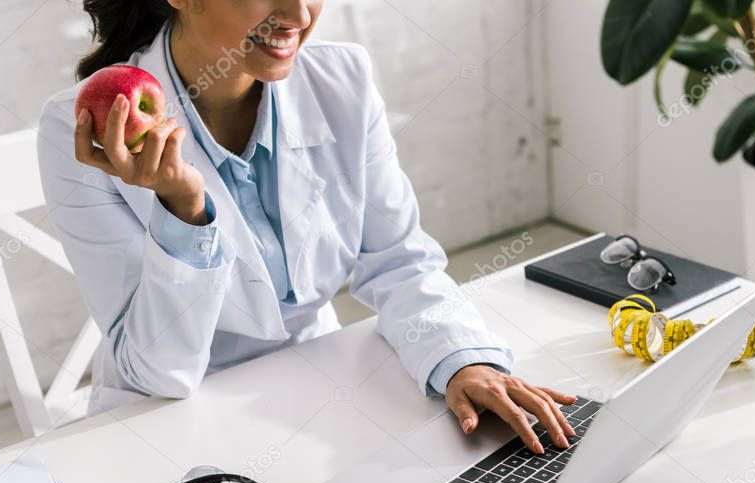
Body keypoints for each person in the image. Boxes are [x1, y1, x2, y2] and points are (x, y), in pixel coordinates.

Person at [37, 0, 574, 454]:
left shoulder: (343, 82)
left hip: (318, 391)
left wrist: (462, 360)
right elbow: (159, 372)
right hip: (165, 429)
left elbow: (399, 260)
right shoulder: (79, 130)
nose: (298, 13)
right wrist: (184, 209)